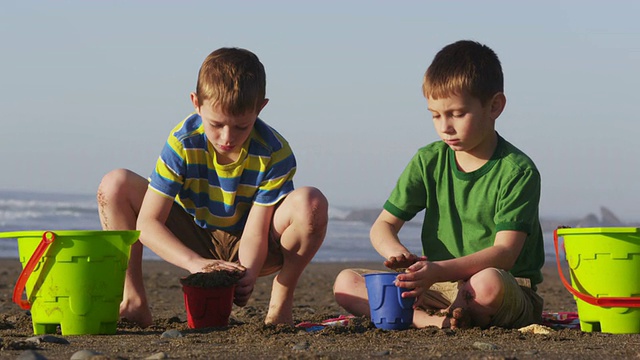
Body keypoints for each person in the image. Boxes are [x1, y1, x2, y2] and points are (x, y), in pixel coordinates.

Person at [97, 47, 328, 328]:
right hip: (197, 236)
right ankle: (133, 301)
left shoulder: (273, 151)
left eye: (241, 127)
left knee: (311, 202)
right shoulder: (183, 143)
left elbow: (257, 227)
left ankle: (280, 306)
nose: (227, 138)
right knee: (114, 185)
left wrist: (249, 274)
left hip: (254, 241)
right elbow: (148, 222)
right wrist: (195, 263)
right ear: (196, 103)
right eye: (216, 124)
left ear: (260, 108)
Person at [333, 40, 544, 329]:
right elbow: (382, 226)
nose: (445, 126)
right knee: (347, 282)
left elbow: (504, 254)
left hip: (506, 288)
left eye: (457, 114)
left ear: (494, 106)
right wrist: (399, 256)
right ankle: (431, 321)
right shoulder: (428, 160)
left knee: (487, 283)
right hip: (438, 285)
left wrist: (438, 271)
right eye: (435, 115)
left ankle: (450, 313)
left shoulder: (517, 171)